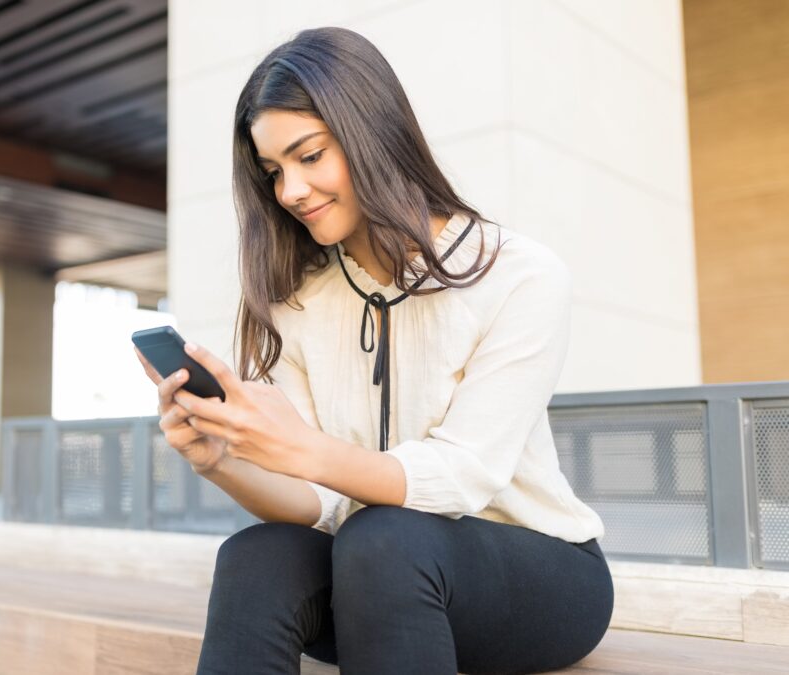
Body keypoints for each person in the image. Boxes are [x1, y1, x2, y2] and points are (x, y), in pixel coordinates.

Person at [135, 26, 613, 675]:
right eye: (274, 171)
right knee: (257, 553)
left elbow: (464, 472)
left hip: (538, 577)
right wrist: (222, 460)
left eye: (309, 155)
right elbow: (320, 500)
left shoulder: (520, 274)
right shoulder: (300, 302)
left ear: (371, 131)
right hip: (375, 575)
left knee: (384, 537)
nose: (290, 191)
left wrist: (299, 446)